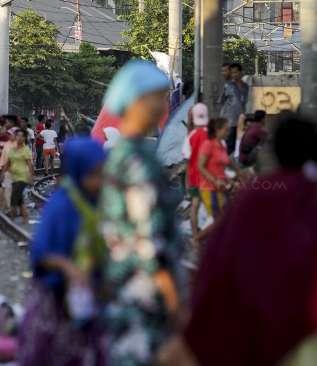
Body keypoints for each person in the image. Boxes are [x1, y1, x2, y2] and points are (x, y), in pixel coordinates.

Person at [183, 113, 317, 366]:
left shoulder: (257, 197)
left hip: (257, 326)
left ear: (276, 151)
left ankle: (195, 238)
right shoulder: (304, 195)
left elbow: (218, 264)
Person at [100, 60, 184, 365]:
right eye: (159, 98)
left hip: (125, 290)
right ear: (137, 100)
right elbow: (149, 242)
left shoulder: (119, 155)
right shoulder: (138, 161)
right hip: (146, 296)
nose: (164, 107)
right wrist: (174, 302)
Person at [19, 138, 107, 366]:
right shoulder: (62, 205)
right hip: (56, 299)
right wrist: (68, 268)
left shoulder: (93, 204)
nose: (100, 181)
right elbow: (40, 252)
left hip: (85, 297)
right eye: (94, 174)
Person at [197, 117, 239, 219]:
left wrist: (230, 180)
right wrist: (215, 181)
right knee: (218, 221)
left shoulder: (222, 145)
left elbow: (221, 168)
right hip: (210, 189)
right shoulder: (208, 145)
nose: (228, 132)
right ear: (217, 130)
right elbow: (200, 166)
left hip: (222, 188)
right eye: (226, 129)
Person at [183, 103, 210, 237]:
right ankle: (202, 236)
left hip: (194, 177)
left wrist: (188, 182)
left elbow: (188, 162)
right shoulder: (211, 136)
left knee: (195, 205)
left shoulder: (190, 137)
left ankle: (196, 235)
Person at [0, 129, 33, 223]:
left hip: (23, 177)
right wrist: (2, 173)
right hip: (13, 177)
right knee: (20, 199)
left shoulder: (26, 149)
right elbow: (8, 163)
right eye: (18, 135)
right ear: (15, 137)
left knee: (14, 197)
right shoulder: (12, 150)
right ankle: (25, 217)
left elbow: (30, 164)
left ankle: (12, 216)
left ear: (25, 138)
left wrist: (31, 176)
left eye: (22, 136)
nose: (19, 137)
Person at [220, 63, 249, 155]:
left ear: (241, 72)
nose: (234, 75)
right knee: (229, 144)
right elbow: (222, 101)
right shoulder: (228, 86)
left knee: (240, 144)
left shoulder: (246, 87)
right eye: (232, 73)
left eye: (236, 72)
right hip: (230, 120)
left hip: (241, 120)